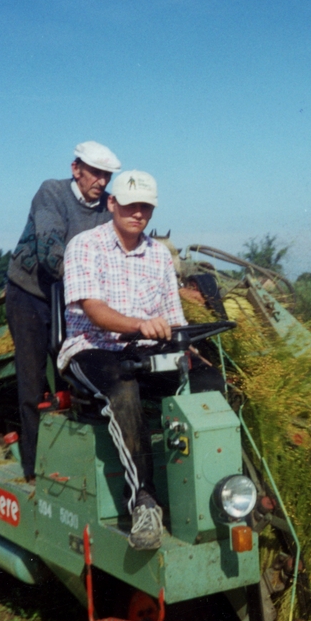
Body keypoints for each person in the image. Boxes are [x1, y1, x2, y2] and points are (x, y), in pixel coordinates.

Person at [58, 170, 222, 550]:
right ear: (111, 203)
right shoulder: (85, 246)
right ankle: (144, 502)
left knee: (209, 381)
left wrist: (190, 350)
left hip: (142, 349)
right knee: (123, 383)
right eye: (130, 205)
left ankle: (216, 489)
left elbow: (173, 316)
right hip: (92, 348)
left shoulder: (159, 255)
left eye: (145, 207)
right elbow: (95, 311)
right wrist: (139, 325)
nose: (138, 213)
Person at [6, 140, 122, 482]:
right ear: (76, 169)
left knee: (73, 376)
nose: (101, 181)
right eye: (95, 172)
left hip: (72, 297)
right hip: (31, 294)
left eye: (107, 175)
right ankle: (33, 469)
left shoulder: (107, 208)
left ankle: (71, 464)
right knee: (32, 382)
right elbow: (50, 255)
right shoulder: (52, 194)